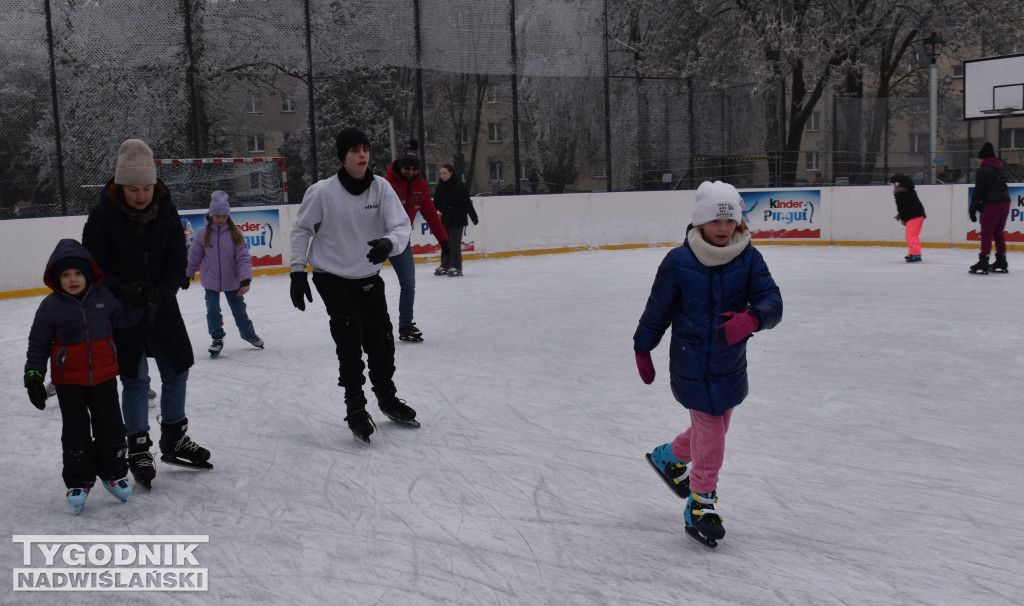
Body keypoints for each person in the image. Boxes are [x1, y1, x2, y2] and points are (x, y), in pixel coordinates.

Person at [634, 180, 783, 548]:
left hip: (731, 364)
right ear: (700, 222)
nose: (722, 228)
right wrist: (643, 345)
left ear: (739, 223)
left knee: (712, 431)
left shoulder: (748, 257)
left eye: (729, 221)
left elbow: (772, 299)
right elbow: (658, 309)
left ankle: (668, 457)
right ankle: (701, 503)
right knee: (713, 434)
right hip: (691, 363)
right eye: (715, 221)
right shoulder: (679, 261)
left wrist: (752, 319)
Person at [82, 138, 212, 490]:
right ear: (119, 187)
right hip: (121, 310)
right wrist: (121, 289)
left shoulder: (166, 212)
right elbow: (92, 267)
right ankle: (138, 445)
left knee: (177, 370)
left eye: (146, 188)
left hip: (160, 305)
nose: (141, 195)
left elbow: (177, 262)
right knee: (135, 378)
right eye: (133, 189)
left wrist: (163, 291)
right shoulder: (102, 217)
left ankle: (174, 437)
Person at [289, 127, 417, 444]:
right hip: (331, 277)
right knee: (349, 336)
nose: (362, 155)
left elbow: (401, 225)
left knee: (381, 340)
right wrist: (297, 272)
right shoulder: (322, 192)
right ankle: (355, 407)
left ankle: (387, 398)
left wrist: (389, 243)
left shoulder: (382, 189)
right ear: (342, 157)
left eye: (365, 149)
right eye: (354, 150)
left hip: (368, 277)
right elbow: (301, 229)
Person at [24, 239, 145, 513]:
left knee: (111, 427)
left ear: (88, 273)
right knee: (76, 431)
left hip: (104, 377)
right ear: (57, 279)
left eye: (78, 273)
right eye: (65, 275)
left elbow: (124, 319)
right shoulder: (51, 306)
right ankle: (79, 480)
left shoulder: (103, 297)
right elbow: (38, 343)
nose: (73, 279)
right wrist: (33, 375)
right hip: (69, 382)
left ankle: (113, 473)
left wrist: (142, 301)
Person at [184, 190, 265, 357]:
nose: (220, 219)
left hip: (233, 280)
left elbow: (243, 258)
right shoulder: (202, 233)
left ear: (228, 215)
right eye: (217, 216)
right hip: (211, 280)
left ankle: (249, 334)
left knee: (239, 309)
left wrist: (245, 279)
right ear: (211, 215)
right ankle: (217, 338)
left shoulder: (236, 233)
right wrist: (187, 274)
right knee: (212, 309)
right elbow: (195, 256)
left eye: (223, 216)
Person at [382, 139, 448, 341]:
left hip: (401, 242)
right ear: (399, 165)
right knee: (368, 284)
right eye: (406, 168)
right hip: (378, 242)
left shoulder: (421, 187)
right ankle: (368, 324)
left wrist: (444, 242)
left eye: (413, 169)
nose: (410, 171)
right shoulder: (385, 184)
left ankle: (405, 325)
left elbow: (430, 214)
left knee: (409, 284)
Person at [969, 142, 1012, 274]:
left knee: (987, 233)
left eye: (981, 159)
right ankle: (1001, 260)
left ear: (984, 158)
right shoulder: (999, 168)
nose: (980, 161)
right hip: (1006, 202)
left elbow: (978, 190)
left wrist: (973, 208)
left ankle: (983, 261)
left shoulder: (984, 169)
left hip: (993, 203)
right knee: (998, 232)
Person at [433, 163, 479, 277]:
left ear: (451, 173)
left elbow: (467, 202)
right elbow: (436, 203)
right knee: (445, 243)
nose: (443, 175)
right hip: (446, 219)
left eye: (445, 173)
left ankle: (456, 266)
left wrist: (474, 216)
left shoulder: (459, 186)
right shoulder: (440, 187)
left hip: (458, 219)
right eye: (441, 173)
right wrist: (438, 209)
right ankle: (445, 265)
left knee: (454, 243)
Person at [889, 173, 927, 262]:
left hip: (913, 215)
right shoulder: (909, 190)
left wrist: (902, 218)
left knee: (910, 235)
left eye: (893, 184)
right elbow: (909, 205)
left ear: (898, 184)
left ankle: (915, 254)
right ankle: (915, 252)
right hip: (919, 214)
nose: (893, 186)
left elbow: (901, 207)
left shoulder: (900, 193)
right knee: (914, 235)